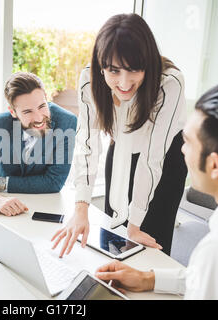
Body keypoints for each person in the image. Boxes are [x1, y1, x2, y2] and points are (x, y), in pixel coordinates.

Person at [95, 82, 218, 299]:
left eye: (187, 142)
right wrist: (148, 278)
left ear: (214, 165)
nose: (181, 150)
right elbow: (215, 279)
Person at [52, 13, 187, 257]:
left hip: (165, 158)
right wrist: (80, 208)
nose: (124, 83)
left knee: (148, 245)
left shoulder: (169, 83)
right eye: (113, 70)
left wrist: (134, 225)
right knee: (112, 242)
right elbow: (87, 143)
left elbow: (151, 158)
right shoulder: (89, 79)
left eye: (134, 69)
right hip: (121, 149)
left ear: (147, 63)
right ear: (101, 64)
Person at [0, 72, 77, 216]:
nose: (39, 118)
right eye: (27, 111)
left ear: (46, 97)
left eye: (42, 106)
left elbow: (54, 182)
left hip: (43, 203)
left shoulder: (67, 122)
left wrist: (1, 183)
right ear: (13, 112)